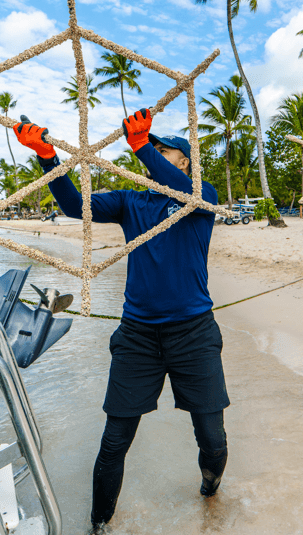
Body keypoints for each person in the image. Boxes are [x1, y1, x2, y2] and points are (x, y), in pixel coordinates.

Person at [14, 109, 228, 533]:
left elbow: (186, 189)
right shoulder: (131, 201)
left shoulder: (201, 197)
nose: (155, 154)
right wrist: (47, 157)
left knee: (212, 438)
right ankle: (98, 525)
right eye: (152, 148)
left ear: (184, 162)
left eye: (164, 150)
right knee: (114, 441)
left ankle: (210, 493)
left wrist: (142, 146)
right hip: (138, 336)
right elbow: (75, 206)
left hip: (194, 333)